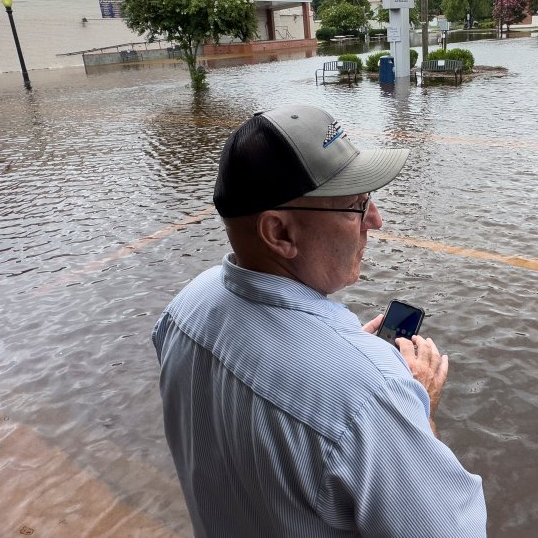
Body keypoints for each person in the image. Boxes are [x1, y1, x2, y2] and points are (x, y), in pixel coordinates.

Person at [153, 104, 487, 536]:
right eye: (356, 205)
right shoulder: (371, 395)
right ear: (279, 233)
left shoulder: (184, 309)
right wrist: (414, 414)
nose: (376, 220)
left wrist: (351, 358)